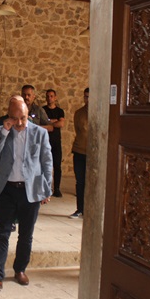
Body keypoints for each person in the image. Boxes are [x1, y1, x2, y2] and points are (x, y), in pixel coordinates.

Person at [0, 95, 53, 290]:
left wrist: (46, 188)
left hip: (30, 191)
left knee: (26, 235)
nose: (20, 123)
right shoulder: (2, 131)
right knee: (2, 233)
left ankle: (20, 269)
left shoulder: (40, 133)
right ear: (9, 116)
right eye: (15, 118)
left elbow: (46, 161)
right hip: (6, 190)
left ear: (27, 114)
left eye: (23, 118)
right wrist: (4, 132)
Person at [70, 87, 89, 219]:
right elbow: (78, 130)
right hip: (79, 151)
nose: (88, 99)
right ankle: (80, 208)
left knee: (91, 182)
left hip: (92, 153)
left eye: (90, 97)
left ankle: (89, 208)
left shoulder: (100, 112)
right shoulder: (79, 113)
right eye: (86, 97)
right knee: (80, 181)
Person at [42, 89, 65, 197]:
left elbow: (61, 124)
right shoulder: (42, 110)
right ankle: (45, 187)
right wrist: (54, 121)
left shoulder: (60, 111)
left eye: (51, 96)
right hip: (45, 141)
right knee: (44, 165)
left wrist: (49, 122)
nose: (49, 98)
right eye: (48, 96)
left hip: (56, 142)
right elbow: (41, 123)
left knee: (57, 165)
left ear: (55, 97)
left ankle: (56, 188)